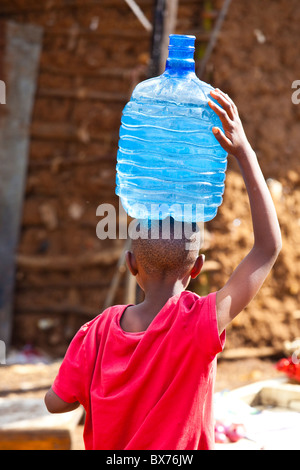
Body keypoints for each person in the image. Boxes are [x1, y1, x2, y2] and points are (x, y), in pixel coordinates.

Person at [44, 89, 281, 450]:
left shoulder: (96, 332)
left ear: (130, 264)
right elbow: (267, 248)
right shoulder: (201, 321)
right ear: (198, 268)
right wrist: (244, 152)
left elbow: (55, 402)